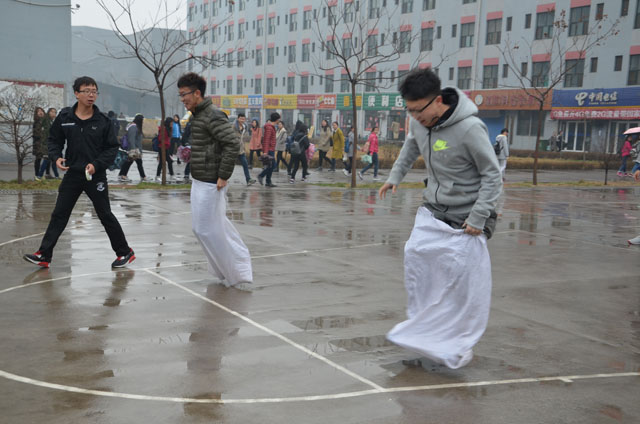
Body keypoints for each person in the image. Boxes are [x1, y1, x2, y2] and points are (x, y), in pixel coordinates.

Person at [378, 67, 502, 369]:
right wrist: (394, 177)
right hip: (434, 208)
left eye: (418, 110)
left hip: (468, 218)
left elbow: (493, 176)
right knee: (417, 259)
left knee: (459, 285)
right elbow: (410, 146)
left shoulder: (470, 129)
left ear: (437, 101)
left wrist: (478, 216)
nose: (415, 117)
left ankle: (455, 342)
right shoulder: (418, 122)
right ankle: (424, 333)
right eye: (410, 110)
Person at [23, 76, 135, 268]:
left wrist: (96, 165)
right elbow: (54, 139)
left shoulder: (103, 121)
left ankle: (125, 252)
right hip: (73, 174)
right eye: (87, 91)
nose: (91, 95)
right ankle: (44, 255)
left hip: (95, 175)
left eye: (94, 91)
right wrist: (56, 156)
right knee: (59, 214)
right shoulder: (65, 117)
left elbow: (112, 148)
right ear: (77, 93)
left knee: (105, 214)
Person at [177, 72, 252, 287]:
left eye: (184, 95)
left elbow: (232, 144)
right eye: (180, 95)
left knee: (206, 229)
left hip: (212, 182)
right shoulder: (197, 115)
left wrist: (223, 175)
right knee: (208, 228)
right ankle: (226, 271)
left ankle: (237, 273)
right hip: (199, 179)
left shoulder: (213, 115)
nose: (182, 99)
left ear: (197, 93)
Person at [118, 114, 147, 182]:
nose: (143, 122)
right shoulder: (133, 127)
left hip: (136, 149)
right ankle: (123, 176)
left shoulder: (136, 127)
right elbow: (131, 139)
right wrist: (133, 149)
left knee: (135, 163)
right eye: (142, 121)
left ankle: (122, 175)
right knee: (130, 163)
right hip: (134, 149)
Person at [233, 113, 256, 186]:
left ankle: (248, 179)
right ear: (238, 118)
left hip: (241, 149)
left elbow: (244, 137)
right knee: (229, 165)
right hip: (233, 149)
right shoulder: (233, 127)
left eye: (243, 118)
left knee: (245, 164)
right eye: (241, 118)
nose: (242, 120)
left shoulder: (244, 126)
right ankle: (223, 179)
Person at [257, 112, 280, 187]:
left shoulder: (271, 127)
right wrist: (265, 152)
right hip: (269, 149)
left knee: (271, 165)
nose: (279, 121)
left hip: (271, 149)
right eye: (279, 119)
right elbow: (266, 140)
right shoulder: (269, 127)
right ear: (277, 119)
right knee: (273, 165)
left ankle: (268, 181)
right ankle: (261, 175)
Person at [155, 117, 175, 182]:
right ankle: (157, 176)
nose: (172, 124)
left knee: (169, 161)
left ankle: (171, 175)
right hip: (162, 147)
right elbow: (160, 139)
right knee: (162, 162)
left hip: (166, 147)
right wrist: (165, 143)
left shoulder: (169, 129)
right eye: (171, 123)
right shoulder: (163, 129)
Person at [32, 107, 46, 180]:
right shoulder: (37, 122)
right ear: (36, 114)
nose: (40, 112)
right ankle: (37, 175)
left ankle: (43, 174)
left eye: (41, 111)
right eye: (38, 111)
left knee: (47, 159)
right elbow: (36, 134)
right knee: (38, 159)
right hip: (38, 144)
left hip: (45, 143)